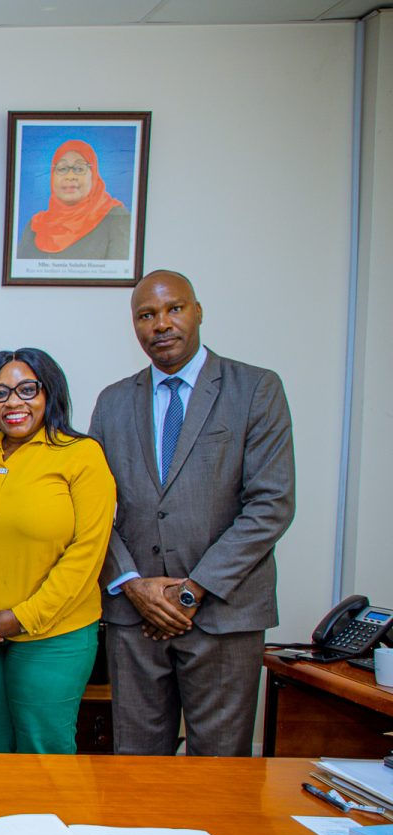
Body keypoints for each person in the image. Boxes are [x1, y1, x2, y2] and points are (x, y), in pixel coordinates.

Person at [89, 270, 295, 756]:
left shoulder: (256, 389)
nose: (161, 324)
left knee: (218, 768)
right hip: (135, 617)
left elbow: (271, 503)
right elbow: (92, 508)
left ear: (198, 312)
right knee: (136, 766)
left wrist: (191, 590)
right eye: (146, 315)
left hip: (225, 613)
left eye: (174, 309)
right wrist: (133, 584)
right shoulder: (113, 402)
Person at [0, 349, 116, 754]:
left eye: (27, 390)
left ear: (50, 393)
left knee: (44, 751)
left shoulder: (81, 455)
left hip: (52, 636)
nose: (13, 402)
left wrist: (24, 617)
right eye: (0, 392)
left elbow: (88, 552)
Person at [15, 140, 132, 261]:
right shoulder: (36, 226)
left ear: (94, 176)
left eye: (79, 169)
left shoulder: (116, 218)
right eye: (62, 169)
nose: (70, 176)